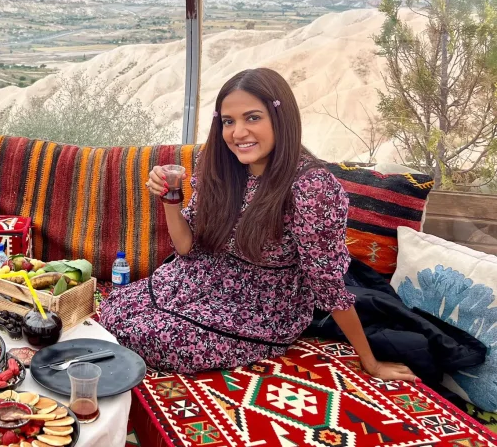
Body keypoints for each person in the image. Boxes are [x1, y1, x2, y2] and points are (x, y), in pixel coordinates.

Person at [100, 68, 416, 381]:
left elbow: (328, 287)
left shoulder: (311, 188)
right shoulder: (224, 166)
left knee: (160, 342)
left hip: (260, 309)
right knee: (116, 311)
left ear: (280, 118)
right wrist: (170, 196)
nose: (238, 133)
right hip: (201, 280)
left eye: (253, 118)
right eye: (228, 121)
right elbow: (186, 247)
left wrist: (371, 363)